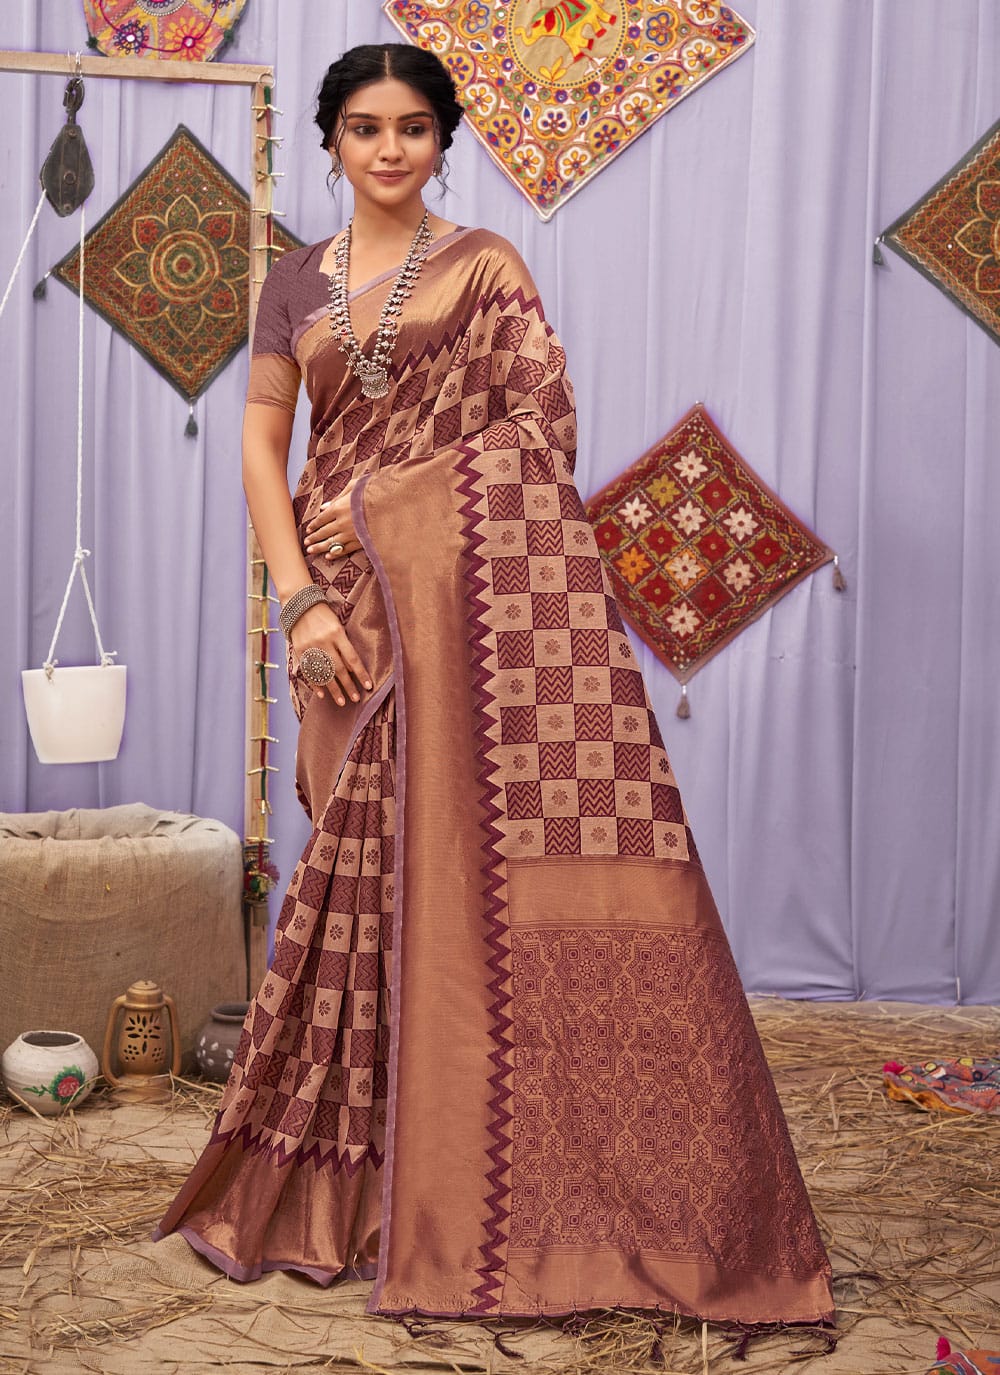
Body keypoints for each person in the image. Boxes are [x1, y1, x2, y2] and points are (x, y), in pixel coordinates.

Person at [157, 42, 834, 1326]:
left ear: (441, 140)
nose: (390, 149)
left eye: (414, 127)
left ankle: (464, 1186)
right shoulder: (291, 283)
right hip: (340, 607)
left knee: (448, 866)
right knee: (356, 865)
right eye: (366, 127)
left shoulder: (484, 268)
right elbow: (261, 443)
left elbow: (540, 431)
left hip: (451, 600)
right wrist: (299, 598)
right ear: (331, 141)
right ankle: (355, 1186)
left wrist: (391, 500)